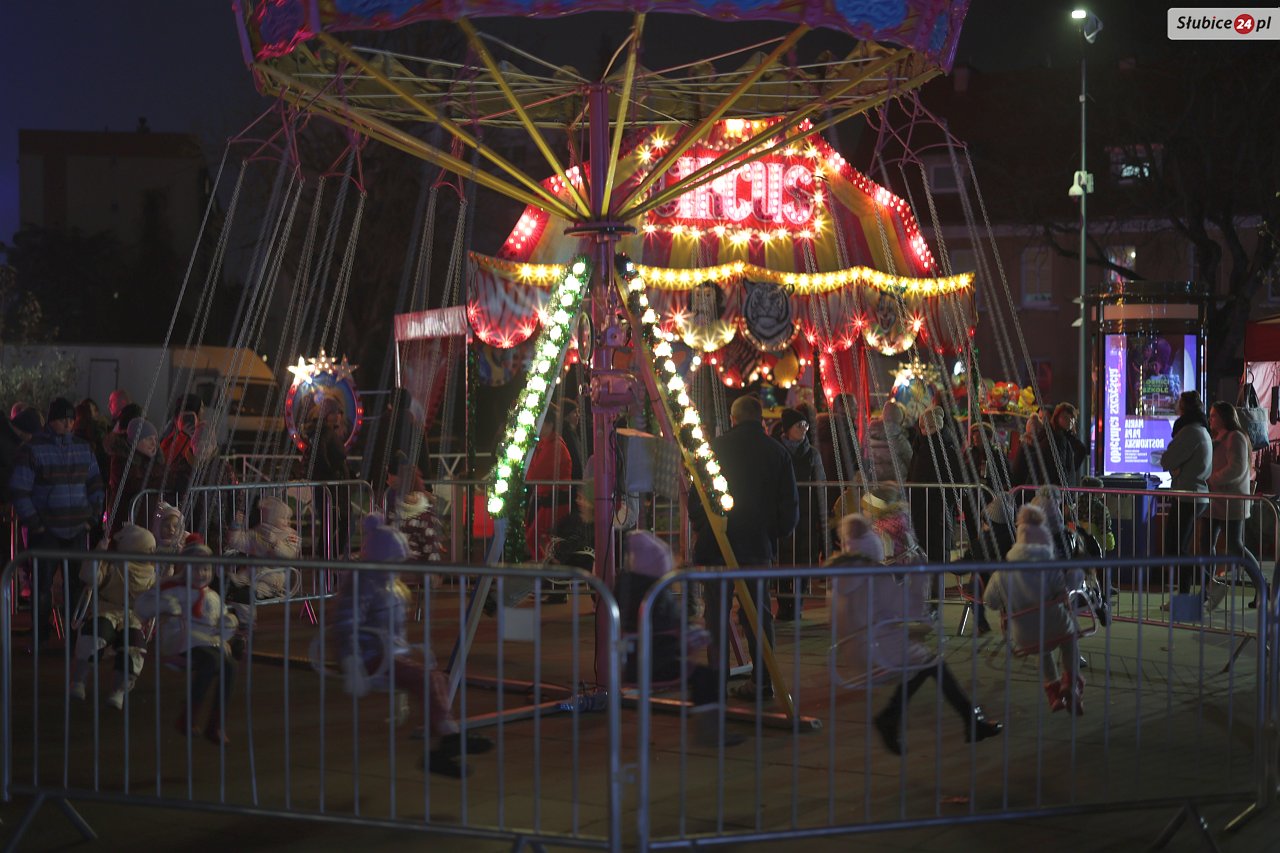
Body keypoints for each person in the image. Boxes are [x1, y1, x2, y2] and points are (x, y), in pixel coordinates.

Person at [332, 514, 493, 777]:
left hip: (389, 653)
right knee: (428, 679)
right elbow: (346, 623)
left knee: (438, 679)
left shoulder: (387, 583)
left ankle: (445, 741)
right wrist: (352, 663)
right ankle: (447, 739)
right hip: (371, 655)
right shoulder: (364, 583)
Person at [830, 513, 1003, 754]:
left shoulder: (840, 576)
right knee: (933, 663)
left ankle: (895, 717)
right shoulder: (875, 574)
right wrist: (919, 576)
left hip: (854, 649)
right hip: (877, 649)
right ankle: (967, 720)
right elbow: (909, 609)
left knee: (923, 662)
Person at [693, 394, 798, 702]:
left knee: (717, 613)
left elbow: (697, 497)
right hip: (757, 544)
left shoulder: (714, 449)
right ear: (761, 419)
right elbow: (789, 507)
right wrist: (774, 533)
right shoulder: (777, 453)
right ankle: (763, 680)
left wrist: (705, 526)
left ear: (733, 418)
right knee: (759, 614)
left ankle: (716, 679)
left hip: (719, 542)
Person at [616, 530, 743, 746]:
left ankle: (710, 728)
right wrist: (691, 635)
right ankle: (711, 731)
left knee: (702, 676)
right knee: (707, 677)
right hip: (658, 663)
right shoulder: (655, 594)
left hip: (632, 661)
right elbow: (669, 628)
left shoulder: (626, 588)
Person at [9, 397, 105, 652]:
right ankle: (41, 638)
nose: (68, 423)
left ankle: (73, 639)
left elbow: (95, 484)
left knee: (75, 586)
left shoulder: (83, 449)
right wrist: (35, 522)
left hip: (73, 528)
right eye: (63, 419)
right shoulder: (33, 450)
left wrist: (92, 517)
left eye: (71, 419)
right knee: (42, 586)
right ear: (51, 420)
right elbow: (20, 489)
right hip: (48, 530)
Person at [984, 504, 1087, 715]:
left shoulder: (1003, 571)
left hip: (1023, 634)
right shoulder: (1048, 565)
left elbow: (990, 601)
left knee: (1041, 646)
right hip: (1054, 624)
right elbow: (1061, 592)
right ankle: (1071, 681)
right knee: (1069, 637)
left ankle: (1053, 692)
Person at [135, 537, 239, 745]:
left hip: (206, 641)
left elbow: (219, 620)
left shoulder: (213, 596)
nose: (202, 574)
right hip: (180, 640)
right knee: (211, 661)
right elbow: (142, 606)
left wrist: (227, 624)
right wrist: (165, 604)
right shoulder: (172, 587)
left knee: (230, 666)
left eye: (206, 569)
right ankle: (188, 716)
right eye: (197, 569)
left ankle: (216, 724)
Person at [70, 523, 157, 708]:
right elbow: (89, 577)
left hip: (133, 617)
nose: (151, 553)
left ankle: (119, 690)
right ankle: (79, 681)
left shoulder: (152, 573)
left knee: (134, 649)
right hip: (106, 610)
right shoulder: (111, 565)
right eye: (147, 549)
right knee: (93, 636)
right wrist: (97, 555)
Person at [774, 407, 828, 621]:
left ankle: (797, 603)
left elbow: (820, 485)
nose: (803, 429)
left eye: (805, 425)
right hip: (783, 513)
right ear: (787, 429)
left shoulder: (812, 454)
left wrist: (822, 515)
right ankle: (784, 603)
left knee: (803, 561)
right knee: (783, 562)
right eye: (799, 425)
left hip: (807, 515)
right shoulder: (778, 451)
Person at [1206, 401, 1259, 607]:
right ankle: (1209, 588)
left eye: (1214, 415)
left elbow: (1236, 468)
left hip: (1231, 501)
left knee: (1235, 545)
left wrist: (1212, 479)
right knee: (1208, 543)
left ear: (1224, 417)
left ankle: (1261, 585)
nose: (1210, 419)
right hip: (1217, 501)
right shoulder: (1220, 438)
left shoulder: (1235, 437)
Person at [1159, 391, 1212, 596]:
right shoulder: (1201, 430)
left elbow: (1167, 460)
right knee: (1180, 546)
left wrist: (1174, 467)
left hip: (1187, 496)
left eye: (1179, 403)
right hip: (1195, 495)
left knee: (1176, 547)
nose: (1175, 406)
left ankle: (1188, 591)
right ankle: (1187, 591)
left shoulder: (1189, 432)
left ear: (1184, 407)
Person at [224, 496, 301, 619]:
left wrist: (276, 543)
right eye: (283, 517)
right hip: (251, 573)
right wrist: (236, 527)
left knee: (246, 594)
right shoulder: (258, 532)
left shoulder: (290, 536)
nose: (287, 521)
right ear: (271, 518)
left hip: (272, 577)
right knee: (230, 585)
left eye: (288, 518)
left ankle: (247, 622)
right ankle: (233, 601)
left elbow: (289, 555)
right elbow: (238, 542)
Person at [108, 418, 163, 534]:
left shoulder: (156, 462)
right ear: (135, 440)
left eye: (155, 439)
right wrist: (163, 482)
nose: (154, 443)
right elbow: (133, 484)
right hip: (126, 522)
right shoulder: (121, 460)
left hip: (148, 522)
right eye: (149, 439)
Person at [1037, 403, 1089, 487]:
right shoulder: (1059, 437)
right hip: (1056, 486)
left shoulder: (1052, 435)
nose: (1071, 422)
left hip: (1050, 485)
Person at [862, 399, 912, 484]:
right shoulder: (899, 439)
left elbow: (864, 458)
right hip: (895, 485)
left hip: (873, 483)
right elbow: (910, 461)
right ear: (900, 419)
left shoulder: (868, 436)